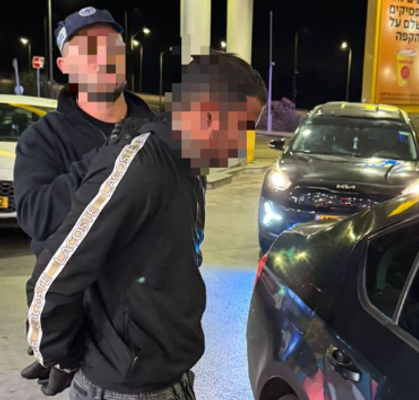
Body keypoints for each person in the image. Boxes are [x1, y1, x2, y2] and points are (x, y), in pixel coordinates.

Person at [21, 51, 267, 399]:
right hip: (124, 388)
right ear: (210, 114)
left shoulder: (188, 166)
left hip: (171, 377)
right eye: (243, 128)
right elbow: (55, 274)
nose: (244, 144)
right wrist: (56, 356)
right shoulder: (139, 168)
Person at [14, 6, 155, 259]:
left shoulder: (157, 131)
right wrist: (111, 157)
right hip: (79, 285)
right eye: (87, 50)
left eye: (112, 46)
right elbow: (37, 218)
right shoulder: (42, 139)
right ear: (64, 65)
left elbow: (188, 214)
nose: (103, 58)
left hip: (152, 283)